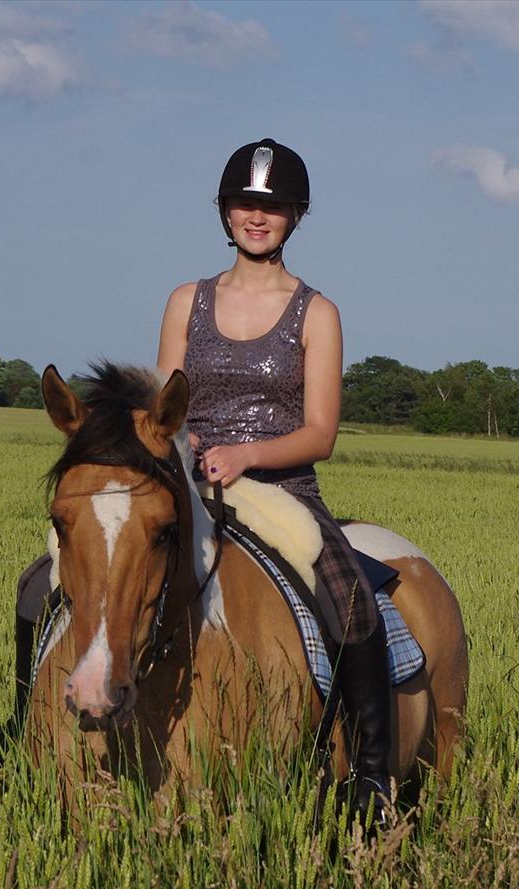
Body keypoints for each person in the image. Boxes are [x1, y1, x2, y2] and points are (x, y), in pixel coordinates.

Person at [155, 138, 393, 826]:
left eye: (272, 207)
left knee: (353, 602)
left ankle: (372, 781)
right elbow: (163, 405)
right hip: (191, 483)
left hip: (281, 490)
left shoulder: (316, 313)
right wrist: (185, 441)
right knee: (48, 576)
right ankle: (22, 733)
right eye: (244, 204)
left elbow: (321, 433)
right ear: (225, 212)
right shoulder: (185, 301)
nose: (256, 217)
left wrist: (245, 454)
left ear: (295, 215)